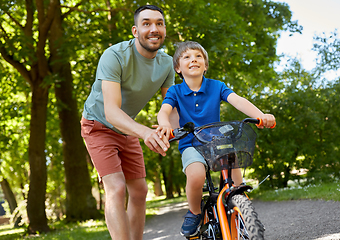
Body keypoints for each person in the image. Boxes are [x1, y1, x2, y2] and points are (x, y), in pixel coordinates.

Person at [156, 41, 276, 237]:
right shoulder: (175, 91)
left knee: (236, 179)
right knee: (196, 175)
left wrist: (262, 115)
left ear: (205, 65)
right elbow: (164, 110)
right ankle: (195, 212)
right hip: (191, 143)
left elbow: (237, 100)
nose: (193, 59)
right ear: (178, 68)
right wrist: (165, 125)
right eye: (186, 57)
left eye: (198, 56)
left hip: (217, 142)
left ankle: (242, 213)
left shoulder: (217, 86)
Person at [80, 5, 176, 240]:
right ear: (135, 30)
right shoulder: (114, 55)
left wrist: (170, 127)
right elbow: (112, 112)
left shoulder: (167, 64)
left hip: (127, 128)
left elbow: (172, 105)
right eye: (147, 23)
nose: (154, 29)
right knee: (117, 187)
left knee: (141, 190)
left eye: (159, 23)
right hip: (98, 125)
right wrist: (145, 132)